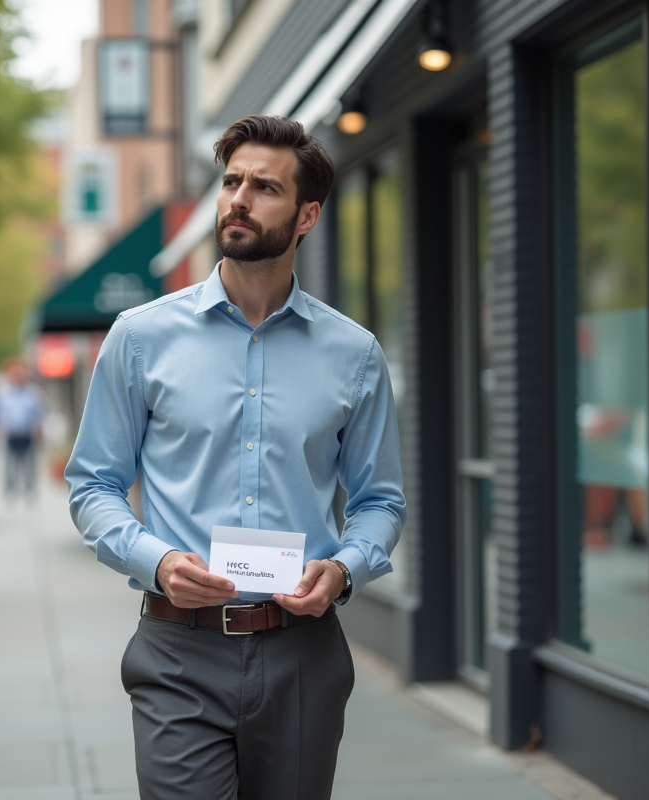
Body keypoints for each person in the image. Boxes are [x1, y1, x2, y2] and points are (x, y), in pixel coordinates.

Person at [65, 115, 405, 800]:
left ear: (307, 215)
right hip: (178, 652)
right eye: (231, 182)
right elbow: (93, 485)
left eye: (265, 187)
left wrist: (342, 570)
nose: (239, 199)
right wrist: (153, 560)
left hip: (301, 654)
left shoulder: (355, 354)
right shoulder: (140, 337)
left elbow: (380, 501)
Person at [0, 358, 43, 499]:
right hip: (11, 434)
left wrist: (38, 428)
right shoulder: (2, 394)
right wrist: (1, 426)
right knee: (10, 465)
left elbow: (39, 413)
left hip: (27, 434)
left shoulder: (33, 393)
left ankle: (30, 490)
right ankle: (10, 490)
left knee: (29, 464)